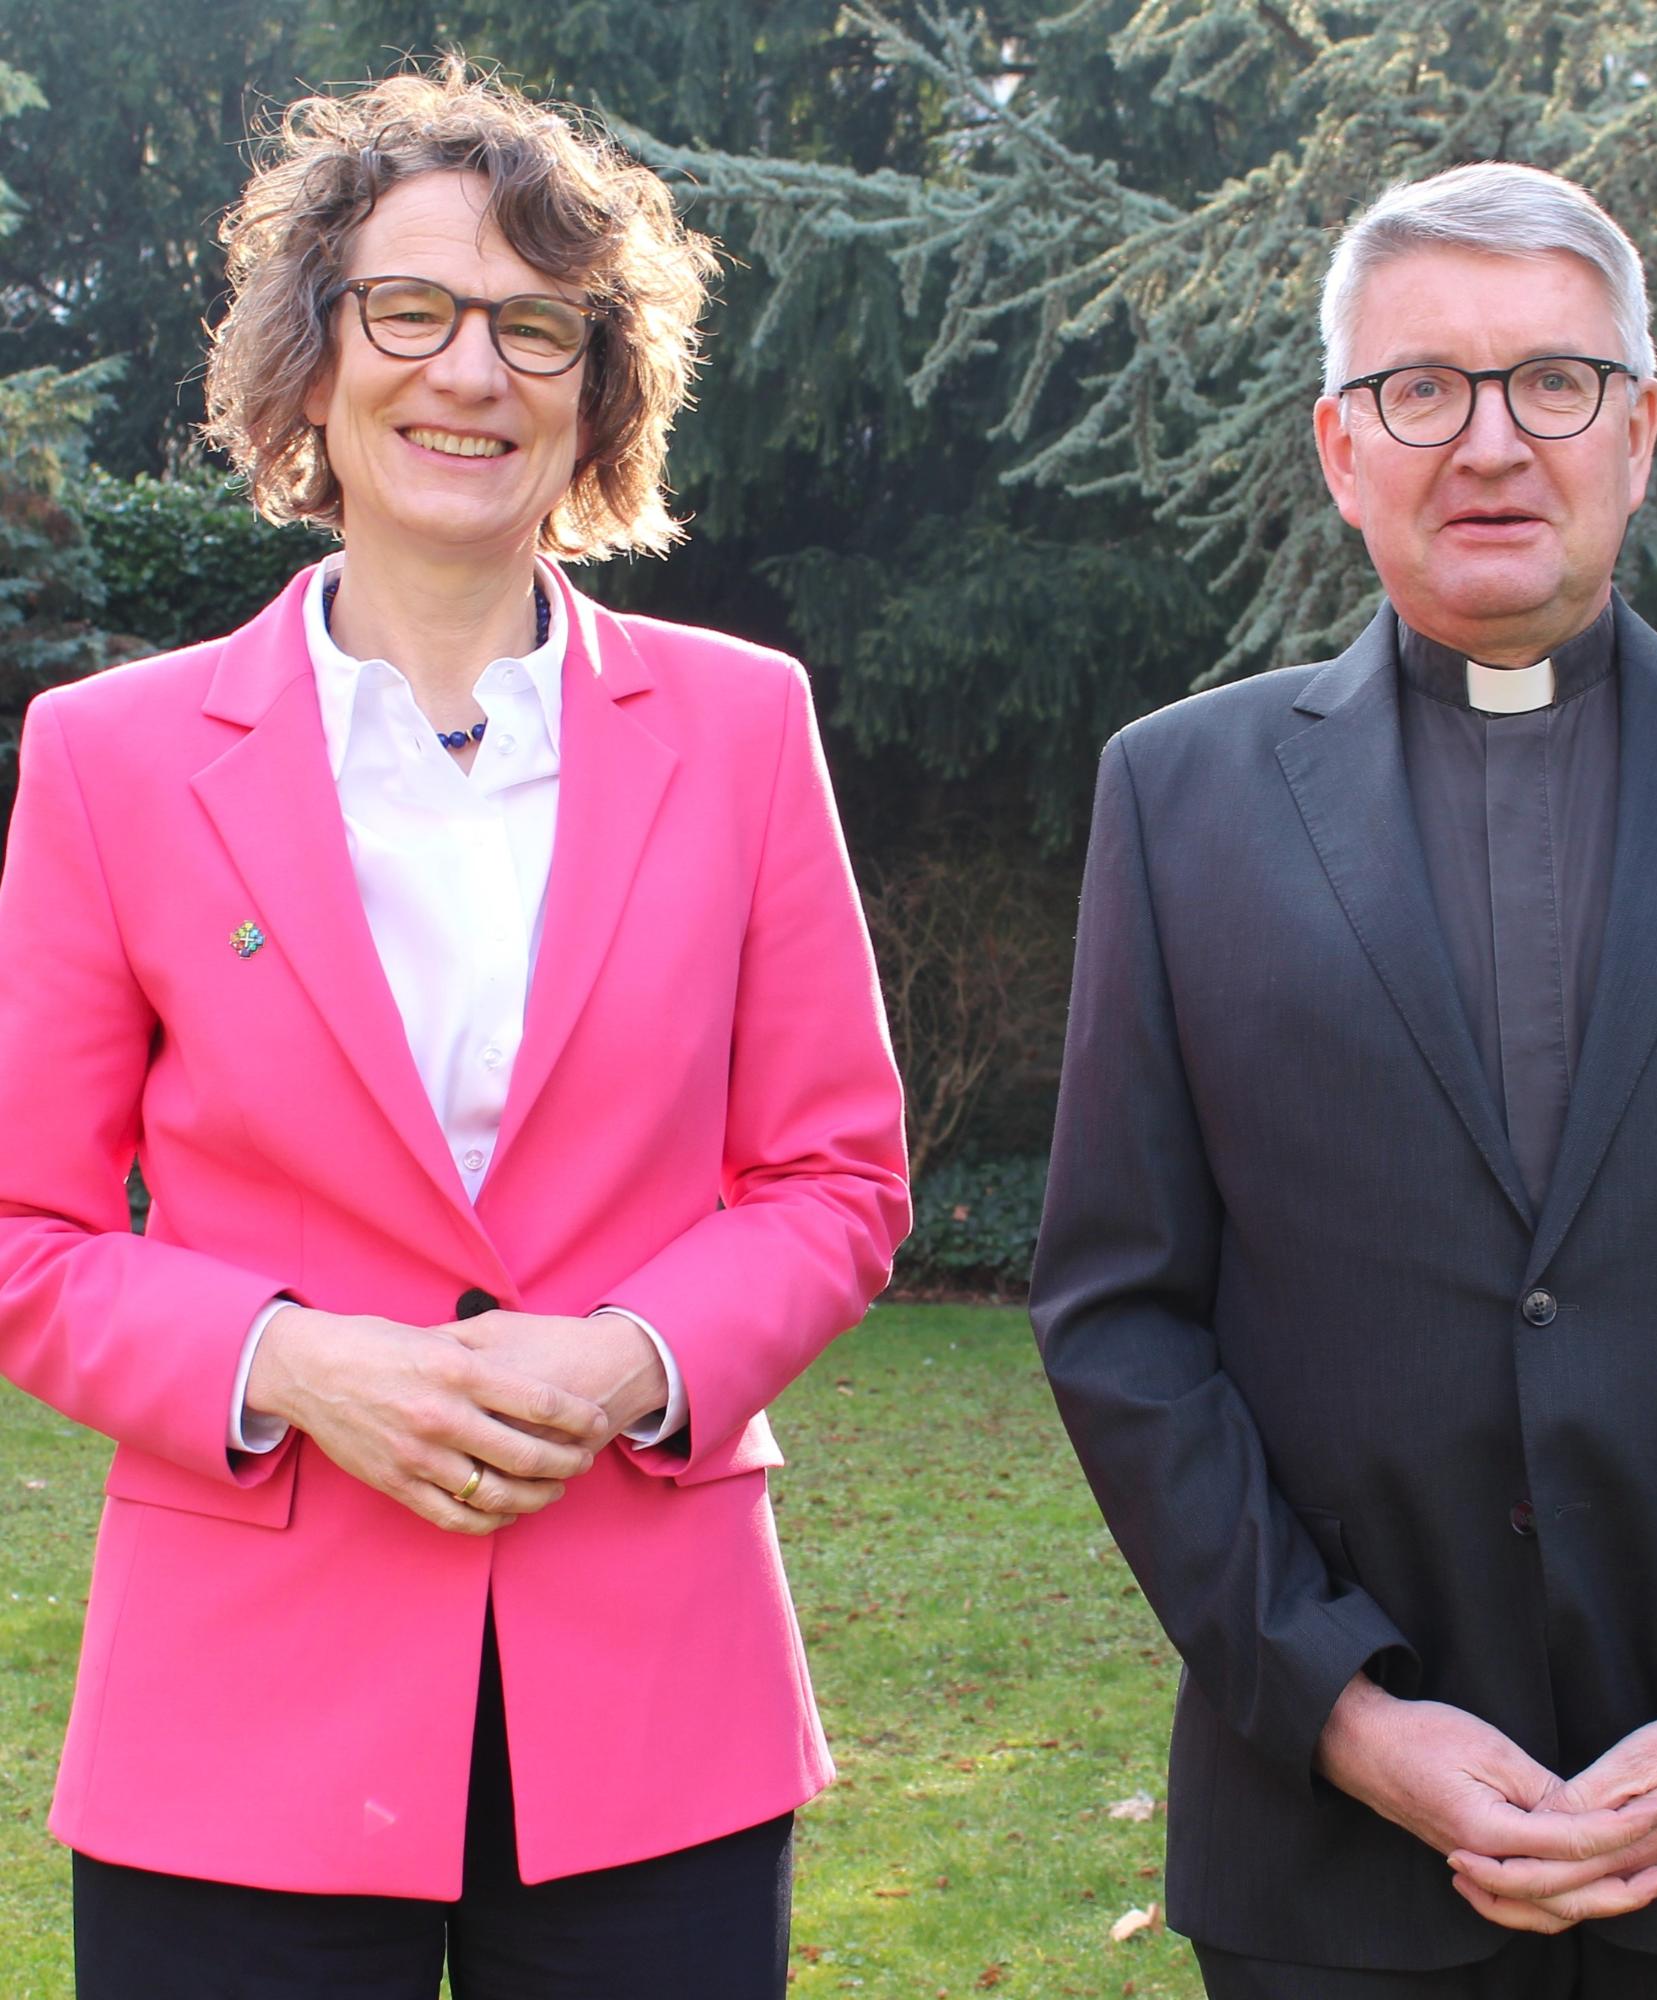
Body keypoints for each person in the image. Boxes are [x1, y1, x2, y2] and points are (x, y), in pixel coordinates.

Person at [1030, 159, 1657, 1999]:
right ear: (1339, 447)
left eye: (1552, 381)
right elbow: (1118, 1314)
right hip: (1336, 1867)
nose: (1489, 441)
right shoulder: (1179, 799)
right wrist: (1347, 1714)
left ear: (1639, 434)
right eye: (1421, 388)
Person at [0, 61, 907, 2000]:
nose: (468, 373)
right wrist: (289, 1358)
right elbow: (25, 1229)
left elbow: (832, 1176)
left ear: (599, 387)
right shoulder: (113, 759)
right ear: (312, 361)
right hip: (234, 1720)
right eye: (410, 311)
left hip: (650, 1706)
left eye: (534, 326)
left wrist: (632, 1354)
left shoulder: (742, 727)